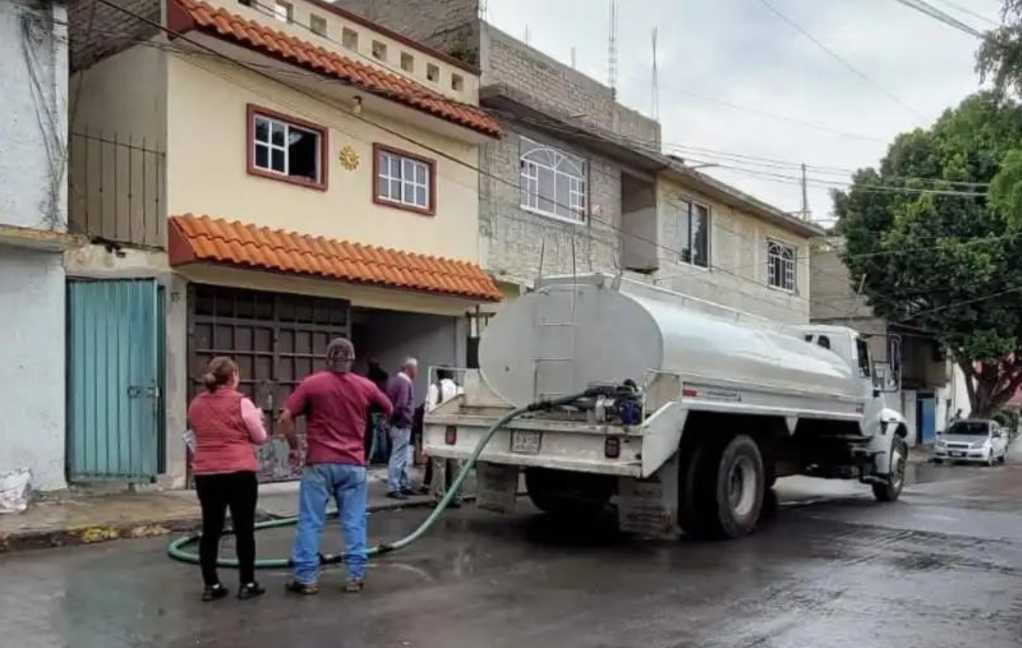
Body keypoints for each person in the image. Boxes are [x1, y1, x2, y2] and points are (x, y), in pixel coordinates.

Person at [278, 338, 393, 595]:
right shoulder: (365, 386)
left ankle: (306, 579)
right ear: (351, 360)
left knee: (310, 522)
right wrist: (379, 427)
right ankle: (355, 576)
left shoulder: (312, 384)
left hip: (318, 463)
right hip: (353, 464)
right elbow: (389, 407)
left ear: (328, 359)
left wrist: (295, 447)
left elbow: (285, 418)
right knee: (354, 522)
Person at [187, 357, 269, 602]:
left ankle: (210, 585)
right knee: (244, 529)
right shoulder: (242, 402)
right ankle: (247, 582)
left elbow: (197, 432)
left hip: (206, 474)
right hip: (239, 472)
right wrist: (259, 418)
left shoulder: (195, 404)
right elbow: (260, 437)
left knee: (211, 529)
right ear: (233, 375)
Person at [426, 370, 465, 507]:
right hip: (457, 430)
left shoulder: (434, 388)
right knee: (457, 465)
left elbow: (430, 410)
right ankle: (457, 497)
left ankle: (439, 497)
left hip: (439, 431)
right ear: (451, 376)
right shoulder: (460, 388)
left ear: (438, 375)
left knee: (439, 465)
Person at [385, 357, 418, 500]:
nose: (417, 372)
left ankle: (403, 484)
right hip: (401, 424)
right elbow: (401, 405)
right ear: (409, 369)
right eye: (416, 368)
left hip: (395, 423)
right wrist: (407, 419)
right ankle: (394, 487)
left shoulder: (393, 381)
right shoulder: (405, 383)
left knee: (402, 456)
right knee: (398, 456)